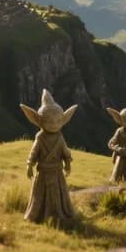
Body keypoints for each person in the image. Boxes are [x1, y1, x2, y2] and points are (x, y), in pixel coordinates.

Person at [21, 89, 78, 223]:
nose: (54, 125)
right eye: (50, 122)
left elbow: (64, 150)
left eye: (58, 121)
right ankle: (39, 215)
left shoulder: (59, 136)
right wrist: (30, 164)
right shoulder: (40, 137)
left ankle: (60, 214)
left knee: (59, 195)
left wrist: (67, 162)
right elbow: (34, 152)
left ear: (63, 120)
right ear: (39, 121)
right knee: (40, 195)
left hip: (57, 172)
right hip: (43, 172)